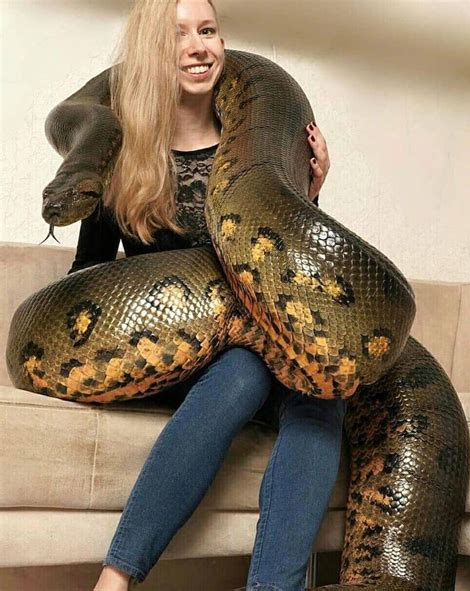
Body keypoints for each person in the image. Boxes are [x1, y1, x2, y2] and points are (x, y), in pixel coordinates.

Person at [61, 1, 343, 589]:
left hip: (252, 345)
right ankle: (115, 578)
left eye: (208, 31)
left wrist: (308, 196)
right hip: (175, 359)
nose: (198, 47)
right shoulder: (123, 159)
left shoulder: (259, 157)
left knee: (321, 392)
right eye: (178, 35)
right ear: (150, 55)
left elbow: (283, 273)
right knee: (241, 370)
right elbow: (87, 275)